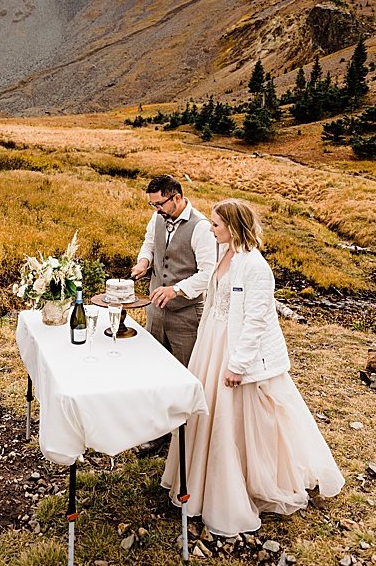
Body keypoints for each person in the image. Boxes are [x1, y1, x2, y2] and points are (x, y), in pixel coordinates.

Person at [161, 198, 344, 536]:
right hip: (212, 339)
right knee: (208, 410)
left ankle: (239, 483)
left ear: (233, 226)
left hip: (234, 346)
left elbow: (257, 319)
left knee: (237, 417)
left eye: (216, 224)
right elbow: (207, 286)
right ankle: (200, 477)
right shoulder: (222, 252)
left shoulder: (256, 266)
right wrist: (176, 290)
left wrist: (238, 364)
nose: (210, 229)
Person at [135, 174, 217, 368]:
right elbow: (149, 244)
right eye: (153, 205)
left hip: (186, 314)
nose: (156, 209)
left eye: (159, 204)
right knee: (152, 366)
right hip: (155, 311)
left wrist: (176, 290)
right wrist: (143, 261)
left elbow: (208, 274)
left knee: (186, 370)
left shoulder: (201, 227)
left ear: (177, 198)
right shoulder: (158, 217)